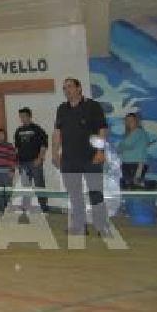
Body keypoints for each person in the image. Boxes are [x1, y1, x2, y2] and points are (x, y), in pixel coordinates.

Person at [53, 78, 112, 237]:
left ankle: (101, 226)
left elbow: (102, 130)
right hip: (69, 160)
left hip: (91, 158)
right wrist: (55, 153)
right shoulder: (61, 109)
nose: (67, 90)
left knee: (95, 193)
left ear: (79, 88)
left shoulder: (93, 106)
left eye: (70, 87)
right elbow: (57, 133)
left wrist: (100, 152)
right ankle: (79, 226)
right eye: (64, 88)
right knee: (74, 195)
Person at [14, 107, 50, 218]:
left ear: (29, 116)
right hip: (23, 163)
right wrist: (17, 161)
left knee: (39, 185)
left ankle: (43, 208)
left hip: (35, 162)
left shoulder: (37, 129)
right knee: (25, 186)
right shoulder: (18, 131)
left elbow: (44, 145)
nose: (22, 119)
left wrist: (40, 158)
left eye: (24, 116)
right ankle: (26, 208)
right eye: (20, 117)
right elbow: (17, 148)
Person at [117, 113, 151, 188]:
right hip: (127, 163)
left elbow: (126, 144)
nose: (129, 123)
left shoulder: (139, 132)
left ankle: (153, 185)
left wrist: (120, 146)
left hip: (136, 164)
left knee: (135, 185)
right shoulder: (129, 134)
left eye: (131, 121)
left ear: (137, 122)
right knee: (129, 186)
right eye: (127, 121)